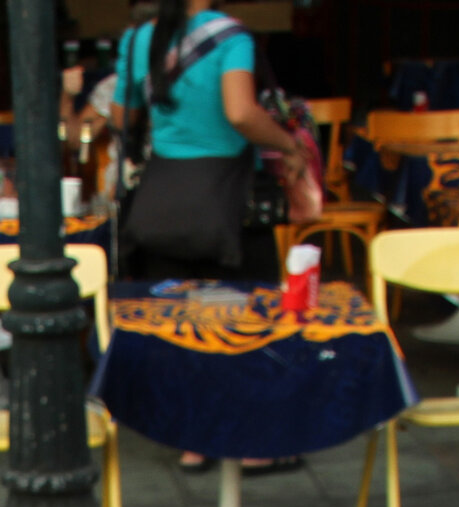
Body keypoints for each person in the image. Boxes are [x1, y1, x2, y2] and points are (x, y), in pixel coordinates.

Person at [113, 0, 312, 469]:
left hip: (164, 198)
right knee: (246, 310)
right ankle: (252, 448)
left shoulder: (138, 39)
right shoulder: (234, 39)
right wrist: (287, 143)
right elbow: (241, 113)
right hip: (226, 196)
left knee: (186, 316)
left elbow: (122, 114)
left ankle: (194, 441)